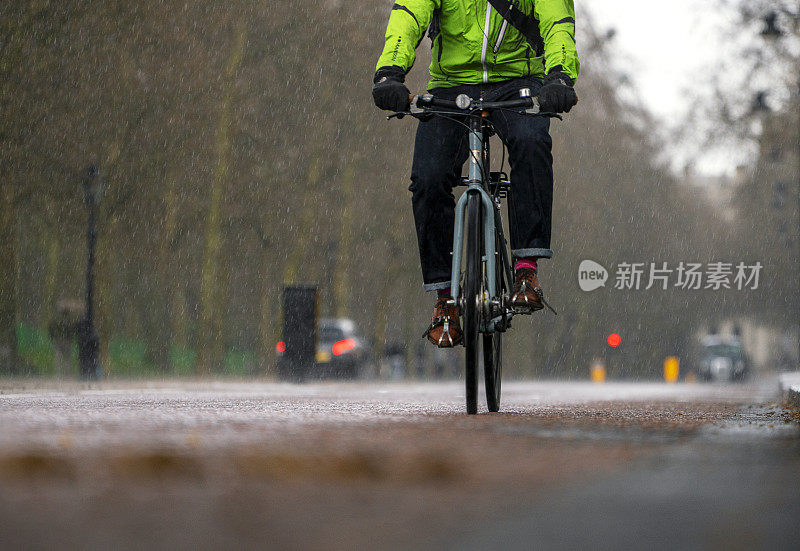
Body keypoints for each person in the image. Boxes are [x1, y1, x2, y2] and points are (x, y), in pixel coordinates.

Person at [372, 0, 579, 346]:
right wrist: (390, 71)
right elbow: (409, 15)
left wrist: (559, 75)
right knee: (428, 178)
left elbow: (557, 19)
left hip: (517, 81)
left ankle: (526, 271)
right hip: (452, 84)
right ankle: (445, 298)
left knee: (532, 145)